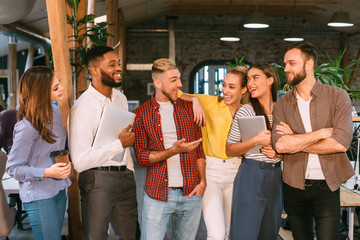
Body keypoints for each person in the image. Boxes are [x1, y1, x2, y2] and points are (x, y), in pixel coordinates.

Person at [272, 42, 354, 240]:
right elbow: (281, 145)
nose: (286, 69)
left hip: (327, 185)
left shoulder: (337, 97)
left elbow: (340, 143)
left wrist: (295, 140)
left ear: (309, 65)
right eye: (285, 64)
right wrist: (321, 133)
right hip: (293, 184)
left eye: (292, 63)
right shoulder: (282, 103)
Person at [68, 46, 138, 240]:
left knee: (131, 236)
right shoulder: (83, 107)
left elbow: (124, 138)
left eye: (119, 64)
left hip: (125, 177)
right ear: (95, 71)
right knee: (96, 237)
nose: (118, 68)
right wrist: (119, 145)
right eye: (112, 64)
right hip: (97, 180)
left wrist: (129, 171)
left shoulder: (120, 98)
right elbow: (80, 162)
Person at [133, 58, 206, 240]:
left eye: (179, 78)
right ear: (157, 83)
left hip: (191, 193)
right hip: (157, 194)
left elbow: (199, 150)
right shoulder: (140, 114)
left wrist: (203, 182)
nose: (180, 84)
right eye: (173, 80)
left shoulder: (190, 109)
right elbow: (142, 158)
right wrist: (173, 151)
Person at [178, 66, 248, 240]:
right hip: (211, 173)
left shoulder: (249, 110)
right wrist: (194, 100)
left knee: (232, 232)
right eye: (224, 85)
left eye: (231, 87)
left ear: (244, 89)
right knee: (216, 234)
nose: (225, 90)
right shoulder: (210, 102)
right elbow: (176, 94)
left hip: (238, 173)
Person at [6, 66, 72, 240]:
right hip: (39, 196)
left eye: (60, 85)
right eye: (56, 88)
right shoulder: (26, 127)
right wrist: (46, 172)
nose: (62, 89)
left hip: (58, 189)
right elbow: (13, 168)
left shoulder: (55, 111)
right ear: (41, 92)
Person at [226, 63, 282, 240]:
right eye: (248, 79)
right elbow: (229, 149)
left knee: (270, 233)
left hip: (276, 177)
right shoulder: (246, 110)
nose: (250, 83)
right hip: (251, 174)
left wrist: (279, 154)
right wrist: (255, 141)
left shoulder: (283, 110)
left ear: (270, 80)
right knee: (245, 233)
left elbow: (291, 145)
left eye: (255, 78)